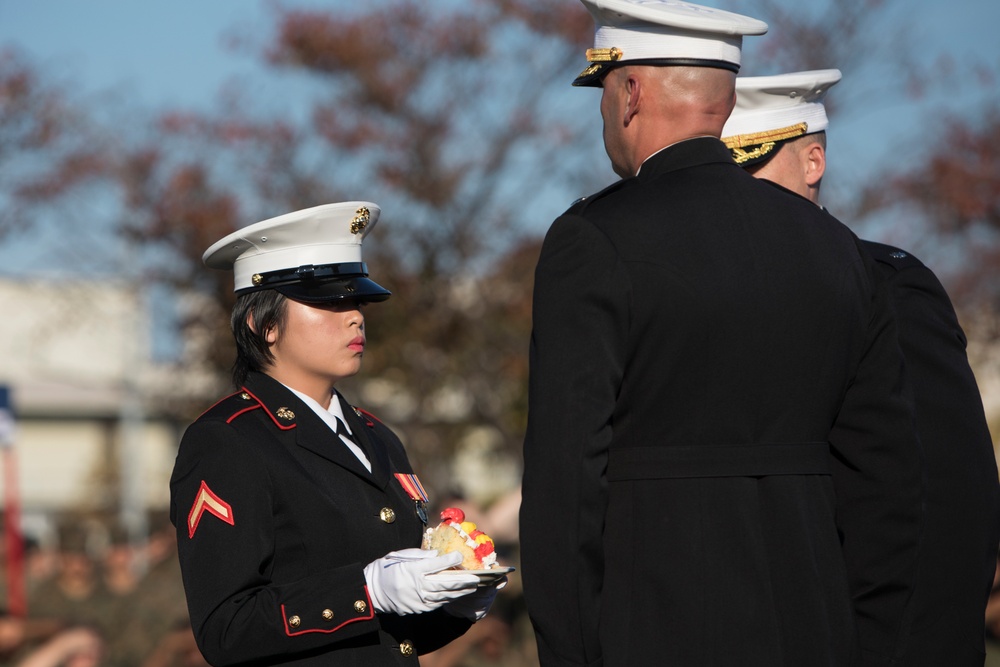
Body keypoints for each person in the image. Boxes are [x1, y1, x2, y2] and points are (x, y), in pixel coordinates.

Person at [520, 1, 924, 665]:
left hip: (653, 628)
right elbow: (889, 477)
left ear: (629, 93)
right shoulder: (838, 248)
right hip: (817, 629)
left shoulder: (593, 240)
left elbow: (567, 483)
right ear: (727, 100)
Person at [721, 68, 1000, 665]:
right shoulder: (701, 293)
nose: (734, 192)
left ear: (813, 161)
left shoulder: (884, 285)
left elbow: (943, 503)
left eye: (750, 166)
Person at [169, 202, 504, 666]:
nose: (354, 317)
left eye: (356, 301)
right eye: (328, 302)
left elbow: (393, 637)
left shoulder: (377, 436)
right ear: (262, 324)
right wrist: (365, 590)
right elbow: (225, 628)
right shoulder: (227, 441)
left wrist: (455, 606)